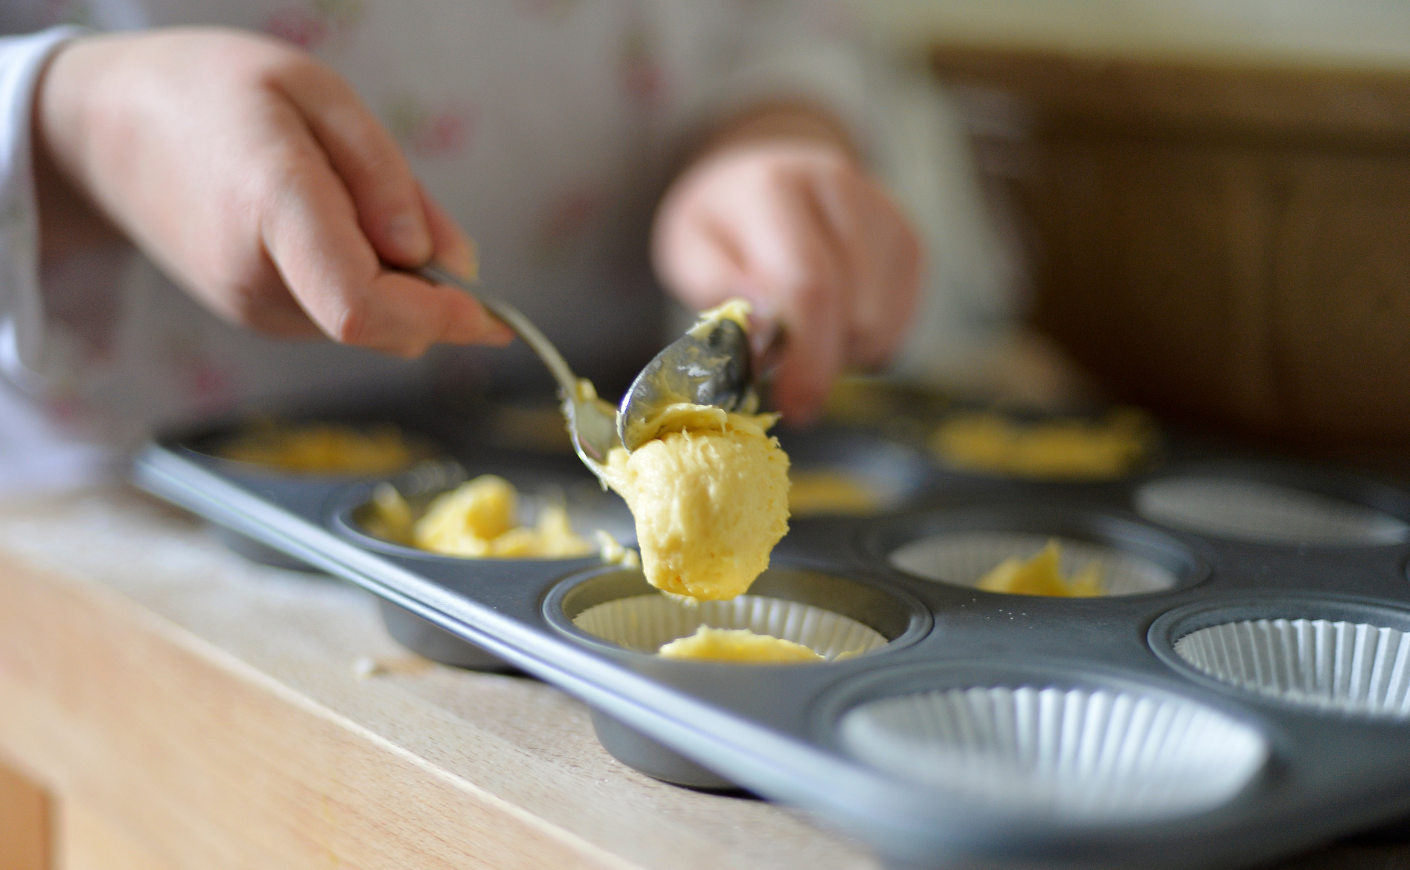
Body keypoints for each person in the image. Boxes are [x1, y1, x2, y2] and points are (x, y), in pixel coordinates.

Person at [0, 2, 978, 492]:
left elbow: (786, 27)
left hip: (573, 465)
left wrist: (771, 133)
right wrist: (87, 127)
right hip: (127, 507)